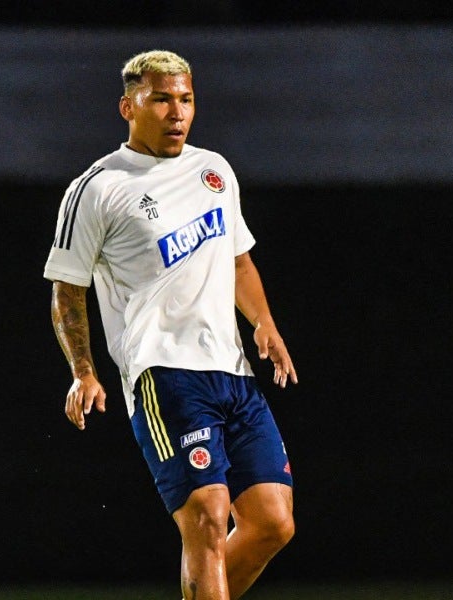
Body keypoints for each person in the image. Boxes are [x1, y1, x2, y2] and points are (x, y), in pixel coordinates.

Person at [43, 49, 298, 600]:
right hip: (164, 373)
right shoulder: (99, 188)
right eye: (160, 99)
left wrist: (264, 323)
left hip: (231, 371)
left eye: (184, 99)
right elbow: (67, 288)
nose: (176, 112)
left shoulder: (214, 171)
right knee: (206, 516)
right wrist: (82, 371)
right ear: (127, 107)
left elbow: (239, 261)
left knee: (274, 522)